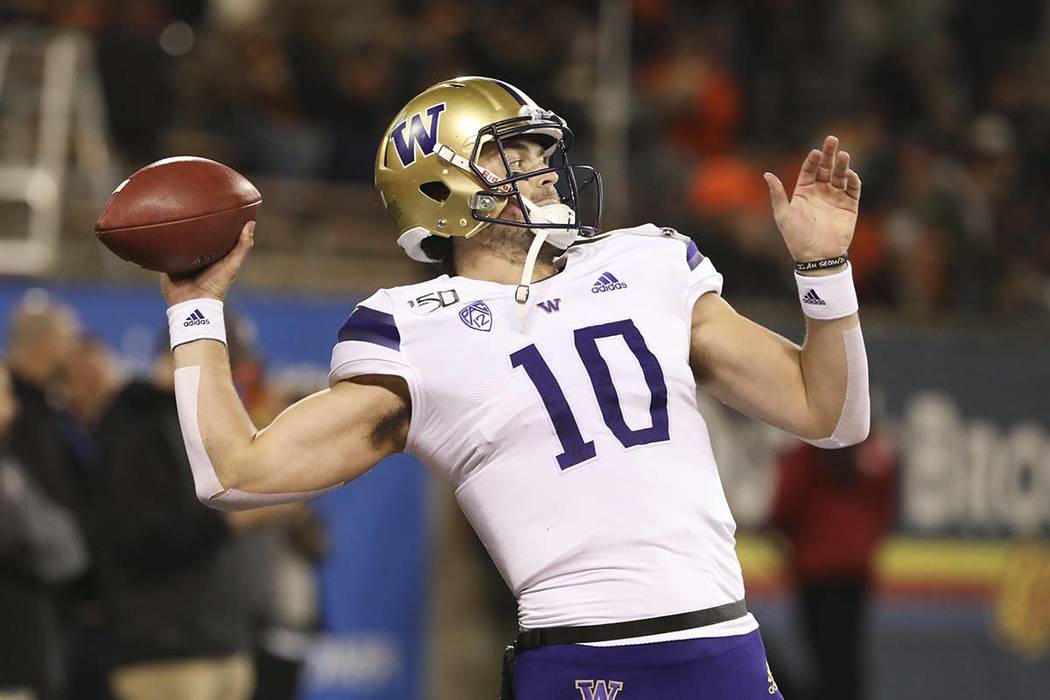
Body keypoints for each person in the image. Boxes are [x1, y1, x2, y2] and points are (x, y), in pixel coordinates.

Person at [159, 77, 869, 699]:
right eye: (514, 155)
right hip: (583, 663)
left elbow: (829, 413)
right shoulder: (412, 331)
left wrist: (825, 271)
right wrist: (195, 305)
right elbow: (233, 472)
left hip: (725, 646)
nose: (546, 171)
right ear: (439, 186)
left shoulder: (647, 262)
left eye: (541, 151)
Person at [769, 433, 897, 700]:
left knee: (830, 662)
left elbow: (783, 510)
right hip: (842, 575)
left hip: (819, 575)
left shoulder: (805, 456)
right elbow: (885, 509)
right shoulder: (870, 456)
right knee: (843, 662)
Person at [0, 361, 90, 700]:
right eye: (5, 395)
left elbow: (68, 546)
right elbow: (29, 537)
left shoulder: (9, 464)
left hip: (21, 663)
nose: (13, 407)